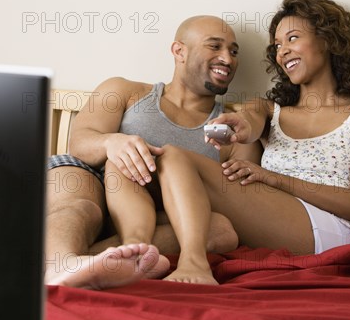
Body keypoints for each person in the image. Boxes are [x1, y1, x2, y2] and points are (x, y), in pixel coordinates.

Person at [154, 0, 350, 283]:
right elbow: (251, 123)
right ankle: (98, 256)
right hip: (269, 217)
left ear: (328, 40)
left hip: (324, 230)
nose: (283, 52)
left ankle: (193, 265)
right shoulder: (269, 109)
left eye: (293, 38)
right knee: (170, 159)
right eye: (278, 46)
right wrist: (242, 128)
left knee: (176, 162)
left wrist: (272, 178)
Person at [44, 15, 262, 290]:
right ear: (179, 51)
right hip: (93, 184)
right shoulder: (126, 91)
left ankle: (82, 261)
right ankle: (61, 263)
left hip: (156, 214)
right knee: (83, 206)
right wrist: (112, 143)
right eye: (214, 46)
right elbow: (79, 142)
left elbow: (237, 203)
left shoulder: (233, 131)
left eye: (233, 51)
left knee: (222, 230)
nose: (228, 59)